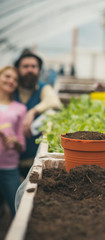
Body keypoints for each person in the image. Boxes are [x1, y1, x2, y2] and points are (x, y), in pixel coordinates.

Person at [14, 52, 62, 177]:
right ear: (18, 69)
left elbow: (54, 101)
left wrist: (33, 111)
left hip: (31, 156)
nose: (30, 70)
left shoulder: (43, 88)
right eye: (25, 66)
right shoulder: (10, 87)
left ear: (39, 70)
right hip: (7, 156)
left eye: (33, 66)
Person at [0, 66, 27, 217]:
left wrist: (14, 141)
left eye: (15, 80)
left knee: (18, 210)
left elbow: (21, 144)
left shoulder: (20, 109)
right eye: (7, 76)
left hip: (9, 167)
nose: (11, 81)